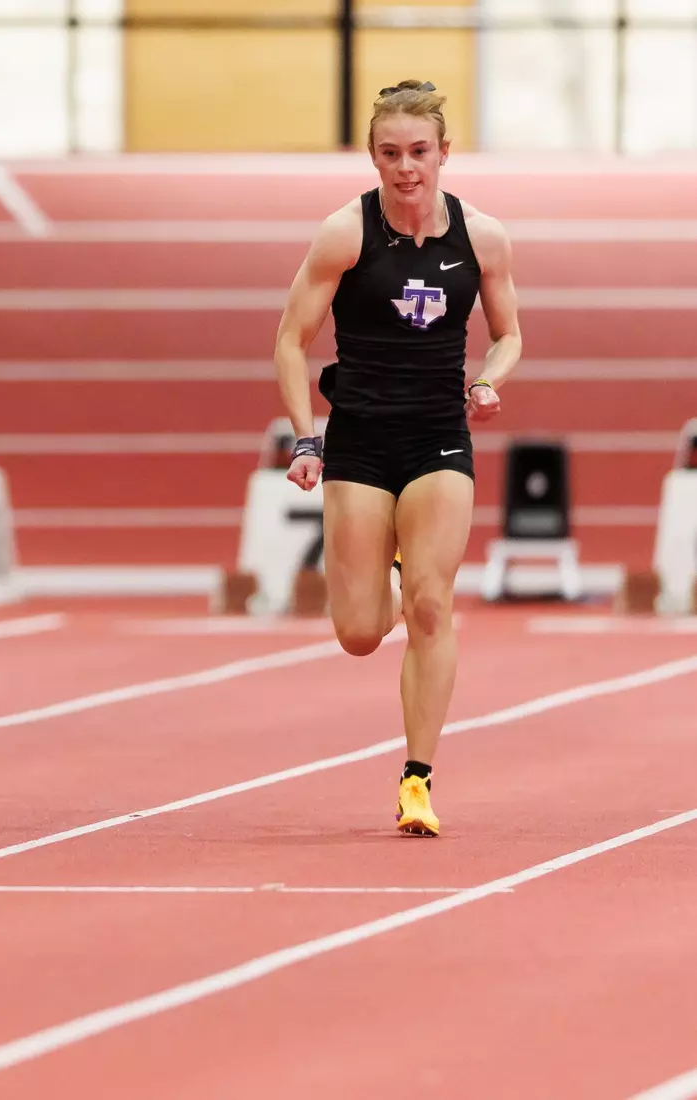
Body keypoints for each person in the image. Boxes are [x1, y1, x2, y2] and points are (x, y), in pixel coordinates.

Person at [273, 80, 522, 838]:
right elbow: (290, 340)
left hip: (438, 437)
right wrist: (306, 437)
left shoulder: (482, 237)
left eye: (419, 152)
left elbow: (510, 332)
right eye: (390, 153)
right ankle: (385, 567)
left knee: (431, 605)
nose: (406, 167)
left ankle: (418, 778)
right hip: (360, 439)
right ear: (373, 156)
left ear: (445, 153)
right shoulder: (344, 234)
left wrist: (486, 381)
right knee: (356, 633)